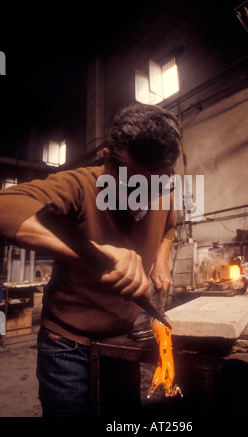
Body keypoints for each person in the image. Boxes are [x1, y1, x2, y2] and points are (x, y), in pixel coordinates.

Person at [0, 103, 181, 417]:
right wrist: (93, 253)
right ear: (109, 159)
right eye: (135, 184)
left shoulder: (162, 191)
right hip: (67, 347)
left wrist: (161, 264)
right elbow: (5, 206)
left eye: (158, 184)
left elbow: (170, 227)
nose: (147, 197)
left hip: (120, 341)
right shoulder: (80, 184)